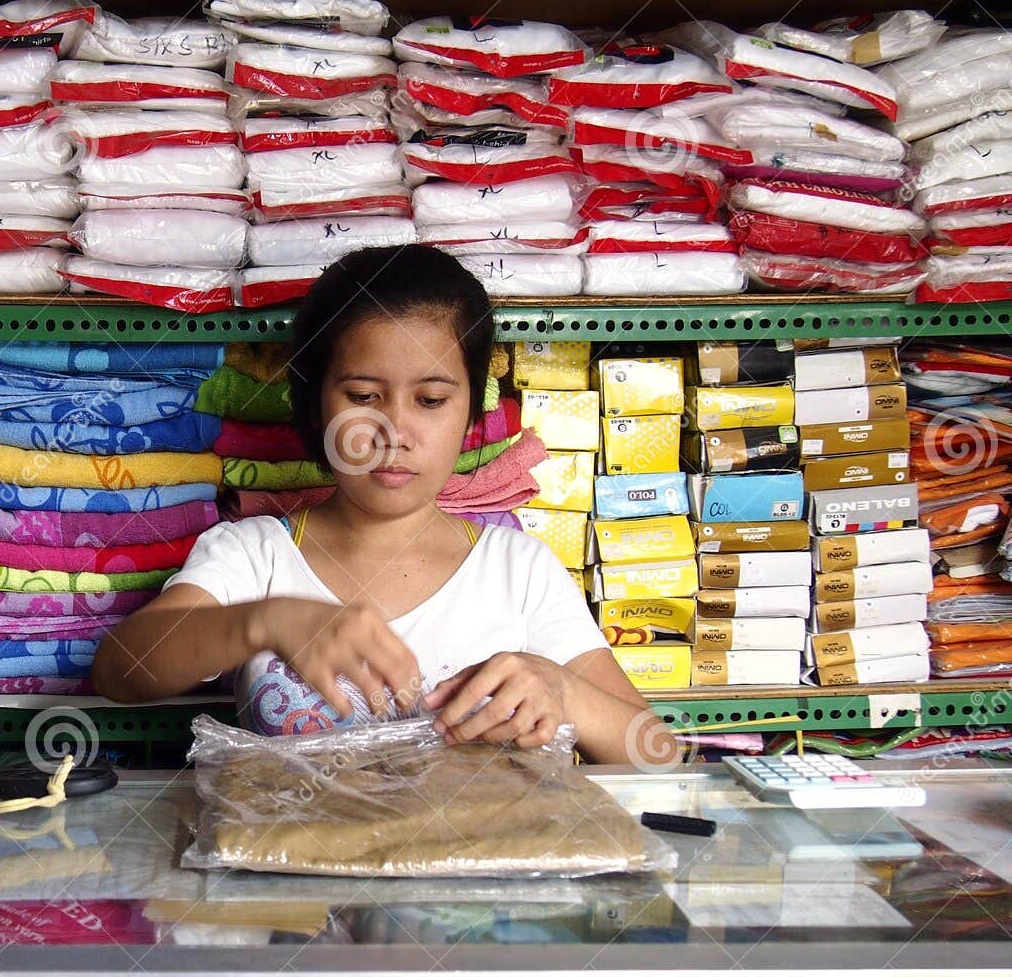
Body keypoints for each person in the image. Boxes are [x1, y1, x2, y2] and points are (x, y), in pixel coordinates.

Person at [92, 244, 678, 765]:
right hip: (292, 878)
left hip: (472, 882)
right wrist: (262, 620)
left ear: (472, 412)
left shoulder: (518, 569)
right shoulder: (254, 554)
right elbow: (121, 672)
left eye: (430, 399)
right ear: (315, 405)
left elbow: (658, 754)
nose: (394, 430)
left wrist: (563, 690)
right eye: (364, 396)